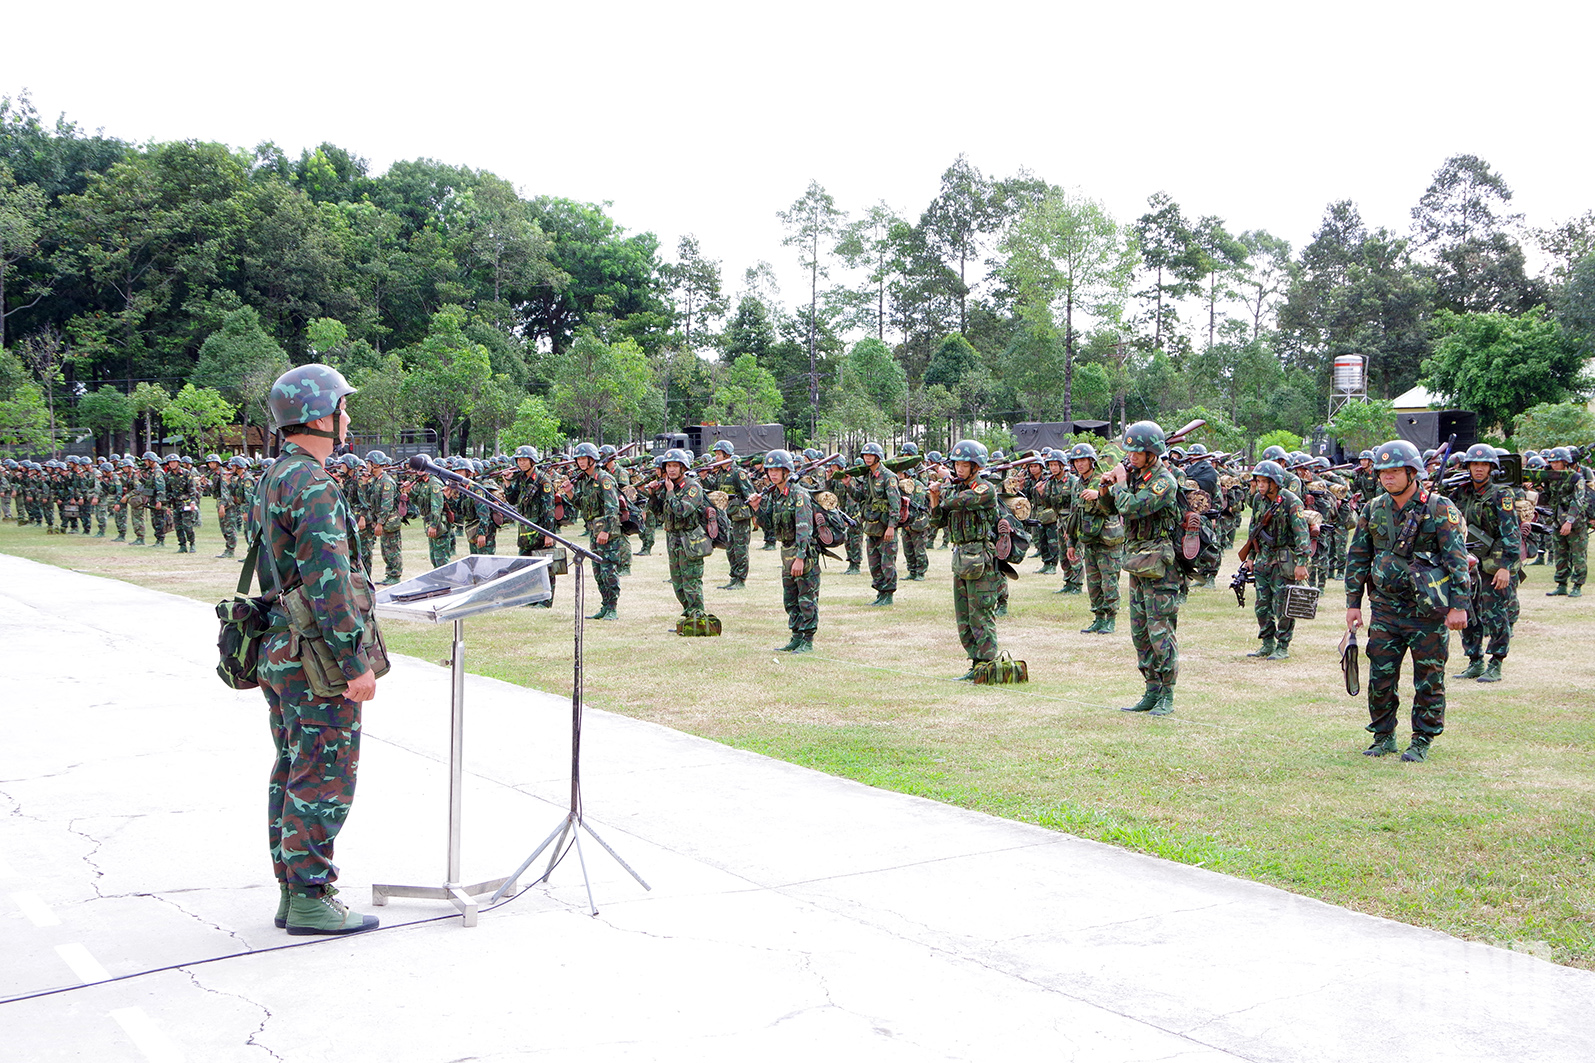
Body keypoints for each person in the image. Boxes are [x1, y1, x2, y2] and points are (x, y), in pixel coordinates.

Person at [250, 363, 381, 935]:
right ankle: (309, 894)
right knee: (325, 773)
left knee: (293, 765)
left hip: (282, 647)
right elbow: (329, 583)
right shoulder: (315, 484)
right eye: (342, 408)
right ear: (319, 417)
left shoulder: (278, 475)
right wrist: (356, 663)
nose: (348, 418)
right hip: (315, 656)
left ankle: (291, 889)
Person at [1345, 439, 1470, 762]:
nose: (1388, 478)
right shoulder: (1373, 508)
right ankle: (1383, 735)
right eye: (1383, 472)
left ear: (1412, 472)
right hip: (1385, 608)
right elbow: (1358, 556)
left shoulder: (1438, 507)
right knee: (1381, 676)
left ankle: (1422, 739)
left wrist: (1459, 605)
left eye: (1395, 472)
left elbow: (1456, 557)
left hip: (1426, 610)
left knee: (1429, 677)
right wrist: (1353, 603)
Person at [1088, 421, 1183, 717]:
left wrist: (1118, 485)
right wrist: (1105, 489)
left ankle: (1167, 693)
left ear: (1152, 454)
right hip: (1137, 560)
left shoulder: (1163, 481)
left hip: (1159, 562)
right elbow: (1108, 510)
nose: (1130, 456)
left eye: (1137, 452)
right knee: (1140, 632)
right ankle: (1151, 689)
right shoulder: (1134, 477)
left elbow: (1133, 507)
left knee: (1160, 631)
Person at [928, 439, 1003, 679]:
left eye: (964, 465)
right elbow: (937, 520)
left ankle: (988, 665)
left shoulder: (984, 489)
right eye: (956, 464)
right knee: (964, 615)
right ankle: (975, 663)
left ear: (976, 466)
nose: (959, 469)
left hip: (981, 557)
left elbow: (957, 502)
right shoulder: (955, 488)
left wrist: (946, 486)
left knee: (980, 612)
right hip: (961, 557)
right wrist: (934, 497)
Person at [1452, 444, 1520, 682]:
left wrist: (1505, 567)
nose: (1479, 469)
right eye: (1474, 464)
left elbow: (1511, 534)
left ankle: (1496, 662)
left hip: (1494, 563)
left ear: (1492, 467)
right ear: (1468, 467)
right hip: (1469, 563)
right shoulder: (1460, 493)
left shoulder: (1501, 494)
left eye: (1483, 464)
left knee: (1495, 613)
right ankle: (1474, 660)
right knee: (1468, 612)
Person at [1238, 460, 1310, 660]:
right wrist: (1251, 557)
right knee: (1262, 605)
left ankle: (1283, 645)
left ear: (1275, 482)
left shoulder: (1291, 501)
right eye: (1258, 481)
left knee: (1283, 605)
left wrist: (1302, 562)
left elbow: (1301, 533)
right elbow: (1255, 529)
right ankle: (1267, 643)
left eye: (1264, 481)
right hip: (1263, 558)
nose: (1260, 485)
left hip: (1283, 559)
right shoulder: (1258, 501)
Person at [751, 449, 819, 652]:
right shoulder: (775, 495)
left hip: (802, 553)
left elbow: (804, 528)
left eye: (777, 470)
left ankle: (808, 639)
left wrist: (800, 557)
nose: (773, 474)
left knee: (806, 598)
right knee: (790, 599)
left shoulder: (799, 494)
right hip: (786, 552)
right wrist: (757, 508)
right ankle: (796, 636)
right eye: (770, 470)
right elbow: (769, 526)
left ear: (786, 471)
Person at [1062, 443, 1123, 633]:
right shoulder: (1077, 484)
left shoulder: (1104, 479)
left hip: (1107, 539)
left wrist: (1099, 495)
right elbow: (1074, 515)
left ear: (1092, 461)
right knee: (1094, 581)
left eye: (1083, 460)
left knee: (1109, 579)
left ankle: (1110, 618)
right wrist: (1071, 543)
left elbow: (1115, 505)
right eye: (1076, 461)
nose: (1080, 464)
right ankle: (1098, 616)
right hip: (1089, 539)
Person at [647, 447, 710, 622]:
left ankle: (698, 616)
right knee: (678, 581)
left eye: (675, 466)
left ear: (683, 467)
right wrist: (653, 495)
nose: (671, 469)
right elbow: (660, 513)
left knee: (691, 579)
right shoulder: (669, 486)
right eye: (668, 466)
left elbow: (682, 511)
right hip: (673, 538)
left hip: (690, 538)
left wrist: (669, 491)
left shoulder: (692, 487)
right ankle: (688, 613)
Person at [562, 442, 623, 620]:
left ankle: (612, 607)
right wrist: (570, 493)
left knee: (608, 570)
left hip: (607, 532)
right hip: (594, 532)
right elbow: (583, 505)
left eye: (584, 458)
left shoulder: (603, 479)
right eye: (579, 459)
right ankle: (605, 605)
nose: (581, 462)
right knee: (597, 571)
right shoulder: (586, 481)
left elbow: (613, 508)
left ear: (592, 459)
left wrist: (606, 531)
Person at [849, 442, 900, 606]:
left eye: (871, 455)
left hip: (885, 527)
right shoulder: (868, 476)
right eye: (865, 455)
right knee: (874, 563)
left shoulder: (888, 476)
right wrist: (847, 484)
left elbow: (895, 504)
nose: (867, 458)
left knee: (887, 563)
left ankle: (888, 594)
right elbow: (861, 498)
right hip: (872, 526)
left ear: (878, 456)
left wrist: (892, 526)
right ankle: (880, 592)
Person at [1542, 447, 1588, 597]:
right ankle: (1561, 584)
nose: (1554, 465)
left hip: (1576, 523)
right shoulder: (1552, 477)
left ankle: (1577, 586)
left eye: (1557, 462)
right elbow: (1548, 497)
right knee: (1560, 554)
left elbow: (1578, 500)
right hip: (1557, 521)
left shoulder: (1576, 478)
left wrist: (1569, 521)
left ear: (1565, 462)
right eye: (1552, 462)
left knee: (1578, 555)